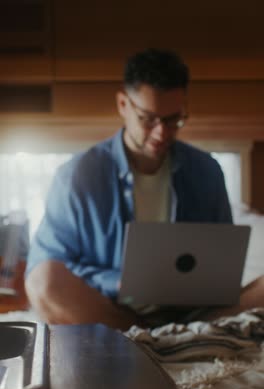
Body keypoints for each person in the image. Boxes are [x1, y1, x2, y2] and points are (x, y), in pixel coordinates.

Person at [25, 48, 264, 330]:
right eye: (148, 119)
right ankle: (146, 336)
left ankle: (179, 334)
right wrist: (119, 281)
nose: (161, 132)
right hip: (111, 309)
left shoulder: (207, 171)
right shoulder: (78, 175)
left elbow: (223, 264)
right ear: (123, 105)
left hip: (194, 312)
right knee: (44, 282)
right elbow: (50, 264)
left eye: (173, 119)